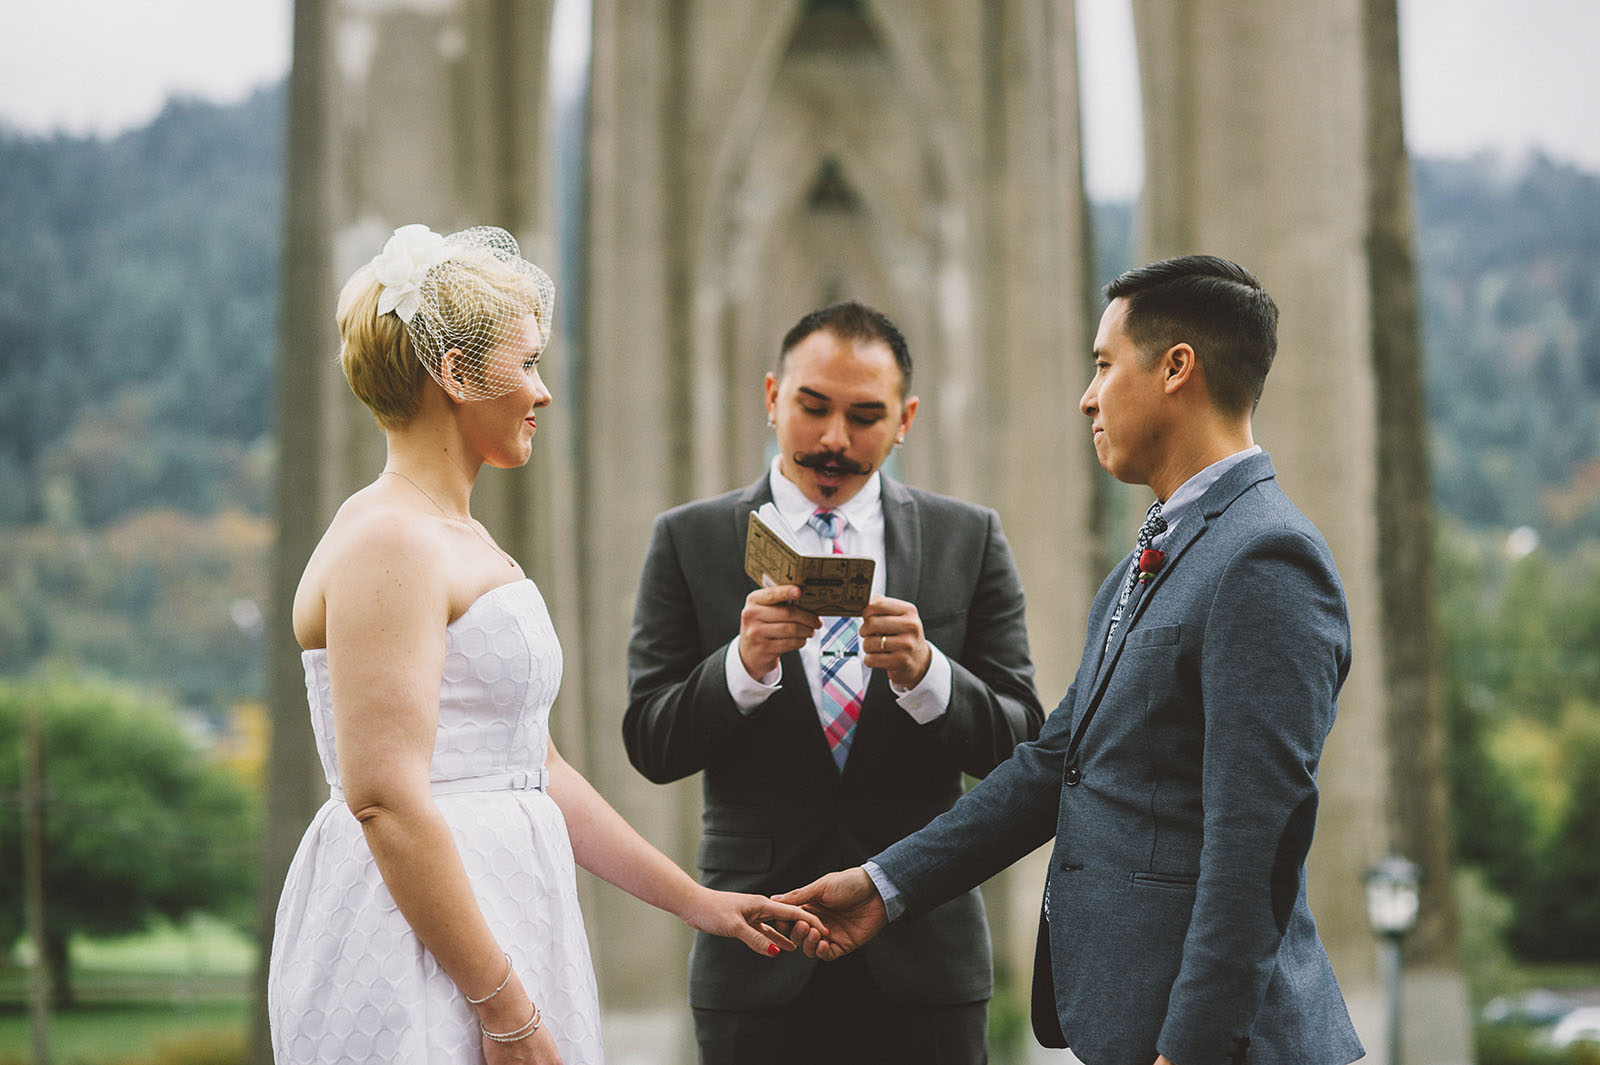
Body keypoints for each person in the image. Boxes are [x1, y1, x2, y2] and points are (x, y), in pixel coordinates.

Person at [780, 256, 1367, 1065]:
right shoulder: (1144, 561)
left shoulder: (1266, 560)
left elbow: (1253, 848)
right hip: (1125, 1029)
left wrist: (1189, 1050)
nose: (1088, 396)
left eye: (1102, 364)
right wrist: (886, 884)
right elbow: (1056, 764)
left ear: (1175, 368)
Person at [267, 223, 818, 1065]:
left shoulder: (461, 535)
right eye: (524, 364)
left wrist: (697, 901)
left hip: (509, 916)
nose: (542, 391)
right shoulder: (391, 541)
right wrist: (505, 1008)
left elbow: (537, 766)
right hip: (417, 943)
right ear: (454, 371)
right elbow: (385, 799)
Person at [622, 301, 1044, 1064]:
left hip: (925, 957)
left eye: (865, 416)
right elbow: (650, 741)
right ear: (771, 396)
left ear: (906, 418)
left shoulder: (968, 538)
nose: (834, 440)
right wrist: (740, 667)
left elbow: (1024, 738)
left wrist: (929, 677)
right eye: (813, 407)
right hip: (757, 954)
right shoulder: (689, 539)